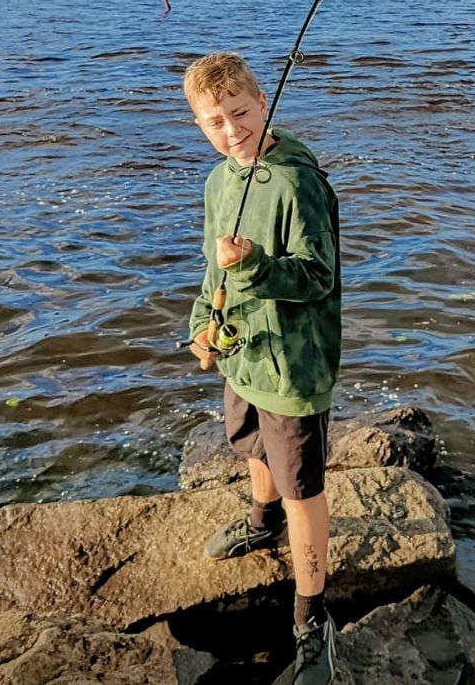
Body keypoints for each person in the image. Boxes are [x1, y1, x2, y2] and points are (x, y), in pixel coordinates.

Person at [183, 52, 341, 684]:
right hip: (241, 353)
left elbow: (318, 276)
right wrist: (201, 323)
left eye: (241, 113)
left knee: (303, 484)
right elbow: (211, 269)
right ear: (200, 124)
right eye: (215, 121)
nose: (231, 130)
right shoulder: (219, 182)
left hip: (293, 364)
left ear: (263, 104)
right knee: (247, 440)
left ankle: (312, 616)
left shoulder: (300, 183)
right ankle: (259, 521)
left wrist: (252, 266)